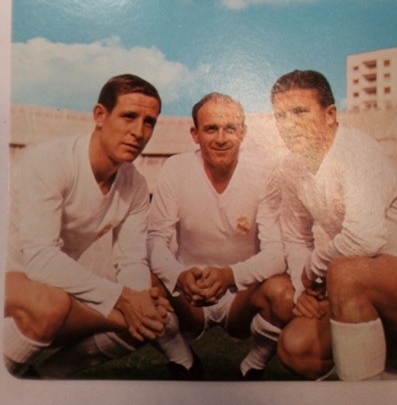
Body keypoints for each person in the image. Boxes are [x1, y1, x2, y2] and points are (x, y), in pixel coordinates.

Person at [4, 74, 172, 377]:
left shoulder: (135, 184)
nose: (138, 132)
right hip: (12, 277)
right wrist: (124, 300)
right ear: (100, 115)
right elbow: (41, 260)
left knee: (151, 310)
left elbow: (131, 260)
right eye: (129, 117)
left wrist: (139, 300)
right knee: (51, 304)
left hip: (49, 283)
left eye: (149, 122)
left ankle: (43, 378)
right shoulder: (51, 161)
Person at [270, 69, 397, 381]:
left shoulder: (356, 150)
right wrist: (302, 290)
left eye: (300, 112)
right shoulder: (290, 167)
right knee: (296, 347)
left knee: (344, 271)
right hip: (367, 286)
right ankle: (384, 387)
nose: (289, 124)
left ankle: (360, 395)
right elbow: (295, 236)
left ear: (330, 115)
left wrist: (312, 269)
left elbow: (365, 239)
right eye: (281, 115)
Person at [147, 93, 288, 380]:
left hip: (241, 293)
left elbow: (276, 253)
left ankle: (253, 366)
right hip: (189, 291)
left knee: (283, 292)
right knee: (138, 281)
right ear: (195, 134)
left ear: (243, 132)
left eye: (230, 128)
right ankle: (183, 361)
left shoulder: (265, 171)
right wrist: (178, 276)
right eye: (211, 129)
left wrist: (229, 275)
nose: (221, 138)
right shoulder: (176, 168)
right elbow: (155, 240)